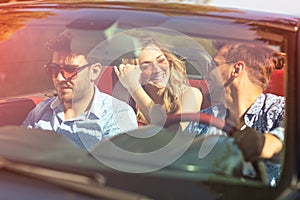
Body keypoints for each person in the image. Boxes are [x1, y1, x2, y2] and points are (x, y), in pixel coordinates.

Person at [186, 42, 285, 186]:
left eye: (213, 66)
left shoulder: (280, 109)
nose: (206, 74)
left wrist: (268, 143)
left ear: (236, 69)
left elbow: (291, 135)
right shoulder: (204, 119)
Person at [22, 30, 138, 149]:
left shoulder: (117, 115)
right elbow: (19, 152)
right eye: (54, 69)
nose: (59, 78)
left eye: (70, 70)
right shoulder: (40, 111)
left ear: (94, 71)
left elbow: (113, 165)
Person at [114, 35, 203, 130]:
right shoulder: (126, 102)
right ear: (135, 71)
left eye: (161, 61)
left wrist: (134, 87)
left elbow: (172, 133)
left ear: (170, 62)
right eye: (146, 66)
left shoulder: (191, 94)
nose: (157, 69)